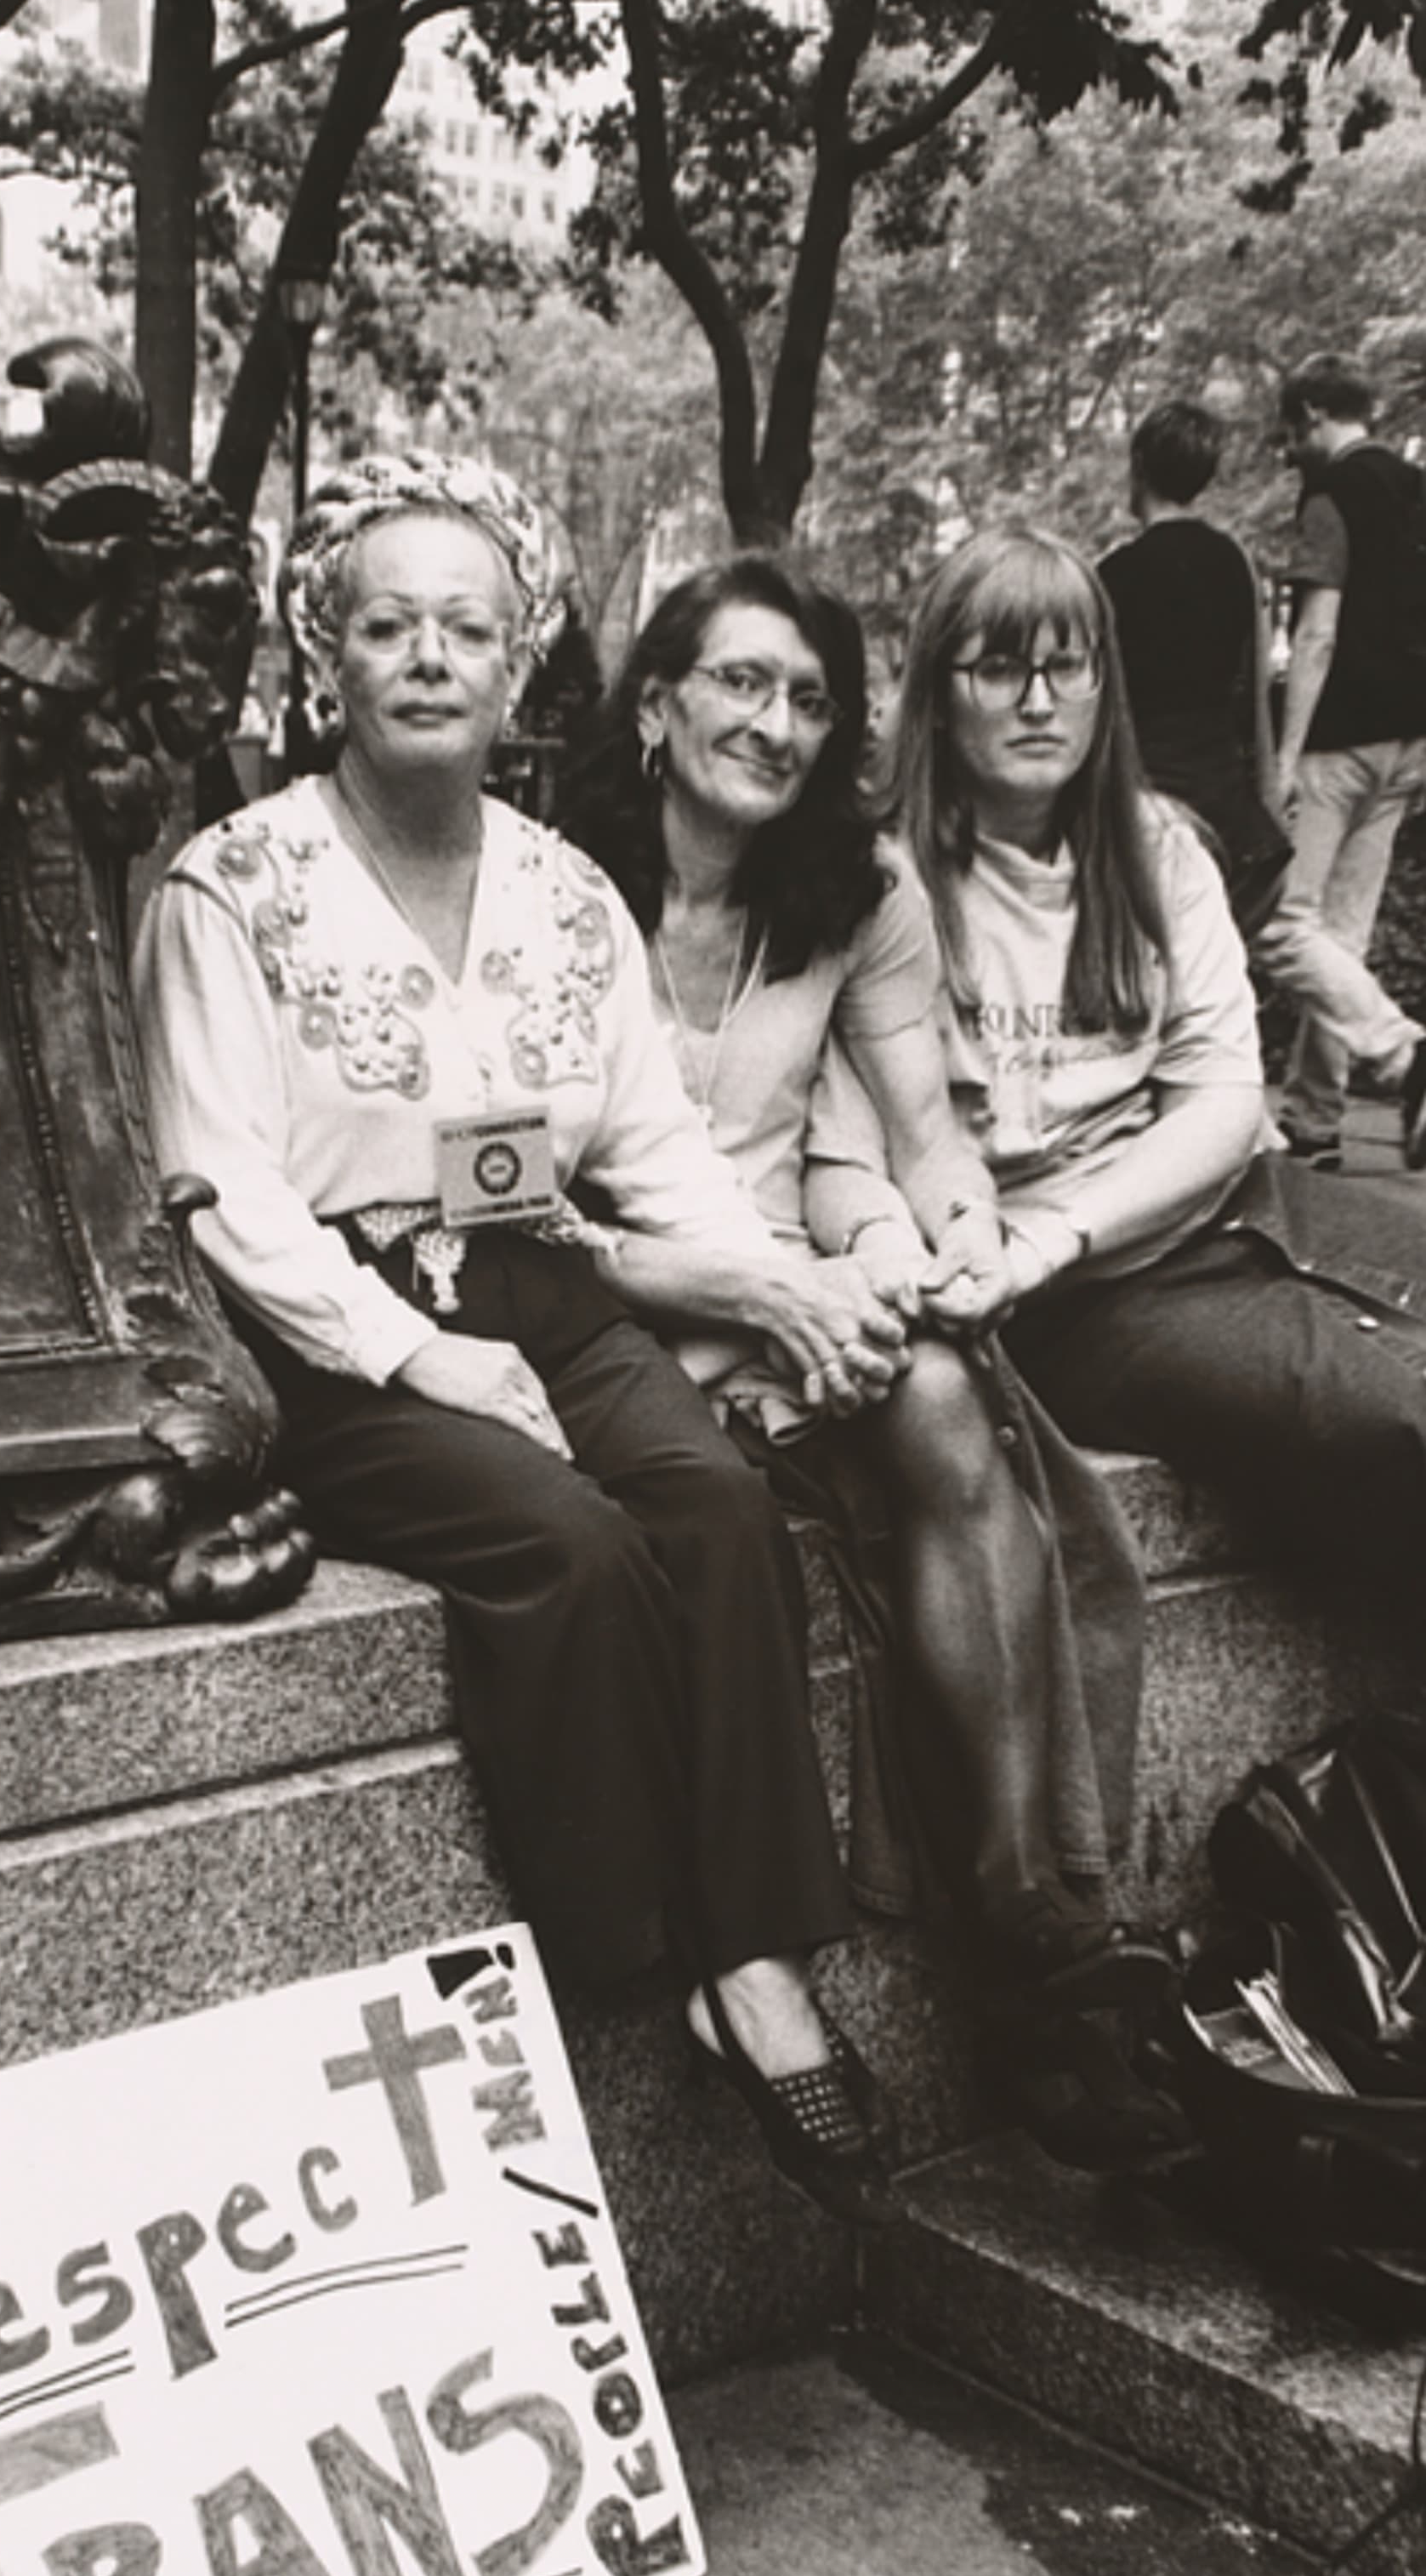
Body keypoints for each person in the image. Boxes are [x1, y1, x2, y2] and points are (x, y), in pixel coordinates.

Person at [132, 452, 912, 2222]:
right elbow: (219, 1187)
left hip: (540, 1282)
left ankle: (761, 1959)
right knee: (568, 1546)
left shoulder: (569, 893)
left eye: (466, 627)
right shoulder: (229, 882)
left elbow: (650, 1150)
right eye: (387, 623)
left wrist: (774, 1287)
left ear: (520, 657)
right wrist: (419, 1358)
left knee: (713, 1505)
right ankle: (633, 1962)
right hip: (329, 1332)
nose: (428, 656)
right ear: (323, 651)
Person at [563, 552, 1173, 2169]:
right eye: (740, 683)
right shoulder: (547, 881)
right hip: (598, 1302)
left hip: (793, 1280)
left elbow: (913, 1139)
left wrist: (946, 1247)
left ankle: (1027, 1910)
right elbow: (506, 1215)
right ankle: (1005, 1956)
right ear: (657, 700)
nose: (771, 725)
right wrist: (764, 1299)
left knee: (950, 1405)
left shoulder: (857, 890)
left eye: (809, 699)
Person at [838, 522, 1426, 1628]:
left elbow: (1221, 1098)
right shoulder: (877, 879)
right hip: (1065, 1305)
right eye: (1001, 666)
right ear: (937, 688)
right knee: (1395, 1411)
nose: (1038, 699)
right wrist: (1024, 1248)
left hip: (1217, 1217)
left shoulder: (1159, 850)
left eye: (1069, 665)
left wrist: (1070, 1224)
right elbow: (866, 1144)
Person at [1266, 355, 1426, 1170]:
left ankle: (1406, 1055)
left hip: (1342, 741)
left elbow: (1316, 635)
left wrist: (1286, 755)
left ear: (1318, 412)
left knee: (1283, 927)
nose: (1289, 451)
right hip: (1412, 743)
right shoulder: (1417, 491)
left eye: (1292, 432)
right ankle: (1316, 1120)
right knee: (1343, 937)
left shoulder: (1332, 498)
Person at [1099, 400, 1290, 941]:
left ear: (1138, 464)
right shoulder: (1235, 562)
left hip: (1147, 807)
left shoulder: (1113, 575)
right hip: (1227, 805)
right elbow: (1253, 696)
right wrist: (1268, 801)